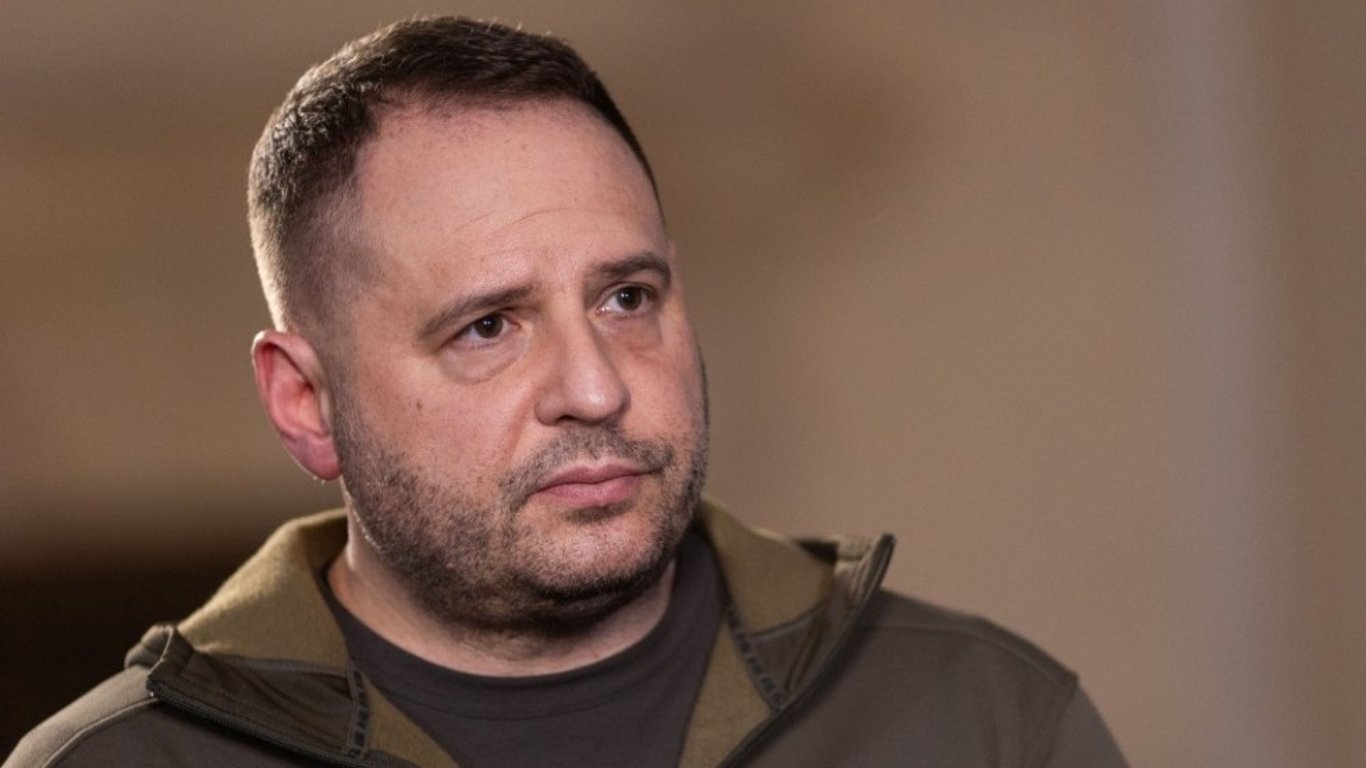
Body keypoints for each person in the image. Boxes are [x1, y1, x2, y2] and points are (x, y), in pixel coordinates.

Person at [6, 16, 1127, 768]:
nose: (595, 387)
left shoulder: (986, 723)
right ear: (305, 402)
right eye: (488, 327)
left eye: (627, 298)